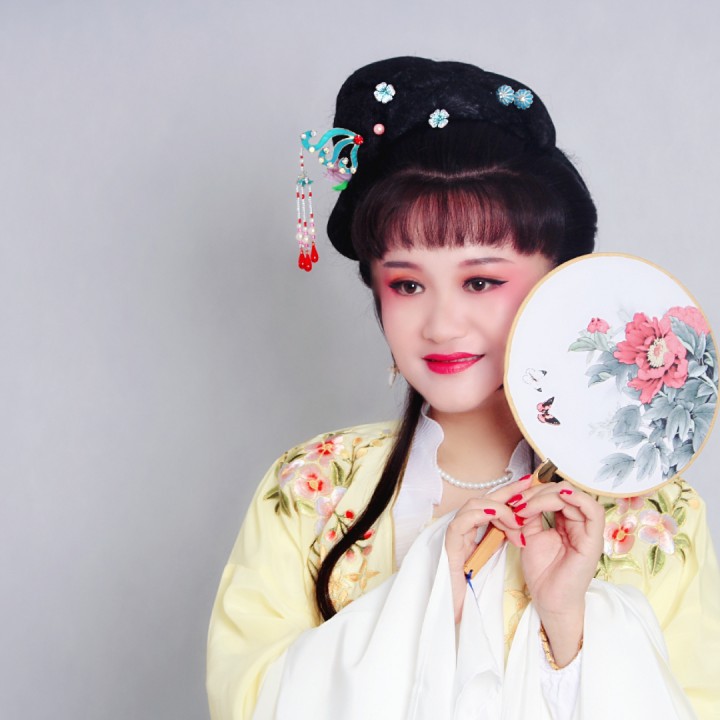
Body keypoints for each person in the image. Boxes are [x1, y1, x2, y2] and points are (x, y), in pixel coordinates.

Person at [206, 57, 720, 719]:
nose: (442, 323)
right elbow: (248, 701)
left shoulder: (651, 512)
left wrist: (569, 626)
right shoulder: (313, 489)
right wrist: (431, 593)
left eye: (481, 281)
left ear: (557, 284)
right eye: (407, 284)